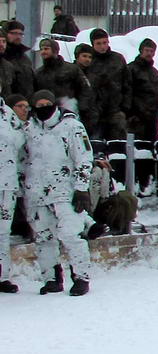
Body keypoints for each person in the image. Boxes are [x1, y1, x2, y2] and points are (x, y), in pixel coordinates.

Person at [23, 89, 94, 295]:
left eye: (47, 104)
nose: (44, 108)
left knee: (71, 235)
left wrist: (81, 188)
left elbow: (84, 157)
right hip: (37, 192)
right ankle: (51, 278)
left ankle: (81, 277)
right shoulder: (30, 129)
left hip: (65, 191)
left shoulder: (72, 126)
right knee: (44, 237)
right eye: (39, 105)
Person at [83, 28, 130, 141]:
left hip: (115, 111)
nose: (102, 46)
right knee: (95, 144)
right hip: (94, 113)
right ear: (93, 44)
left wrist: (126, 106)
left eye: (104, 42)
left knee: (118, 145)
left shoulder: (118, 59)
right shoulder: (89, 60)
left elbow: (127, 84)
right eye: (98, 43)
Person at [0, 92, 23, 293]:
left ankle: (2, 276)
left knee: (3, 233)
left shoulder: (8, 114)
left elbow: (21, 141)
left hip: (6, 183)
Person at [34, 37, 90, 117]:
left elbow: (85, 89)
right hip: (47, 113)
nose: (43, 52)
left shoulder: (71, 69)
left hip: (70, 110)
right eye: (41, 49)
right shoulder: (39, 73)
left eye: (46, 49)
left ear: (55, 50)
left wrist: (82, 108)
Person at [127, 38, 158, 143]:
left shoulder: (155, 73)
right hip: (136, 117)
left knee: (150, 149)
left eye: (151, 51)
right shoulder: (131, 69)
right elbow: (127, 92)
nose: (149, 53)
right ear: (141, 51)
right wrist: (131, 113)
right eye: (147, 50)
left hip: (152, 118)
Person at [0, 21, 36, 99]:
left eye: (21, 34)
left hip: (25, 105)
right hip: (7, 105)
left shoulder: (24, 58)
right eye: (14, 33)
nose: (18, 36)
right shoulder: (3, 57)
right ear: (5, 33)